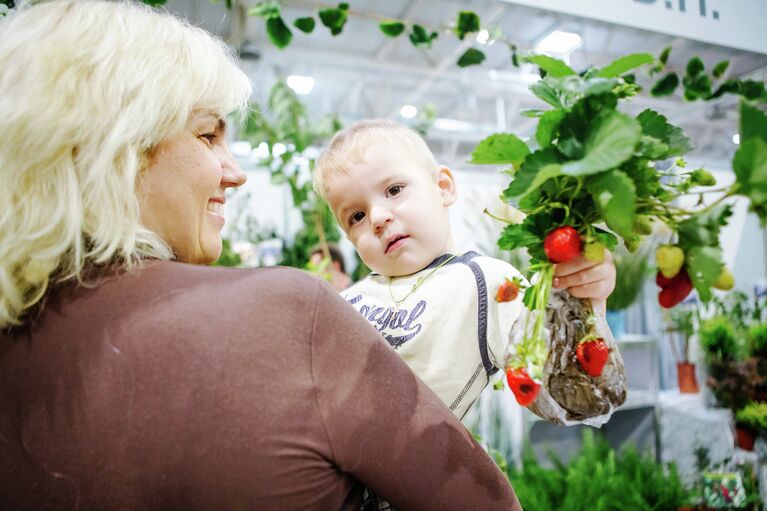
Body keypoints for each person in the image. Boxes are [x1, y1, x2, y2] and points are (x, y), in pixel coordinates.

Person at [0, 3, 523, 510]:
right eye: (208, 135)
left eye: (394, 191)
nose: (235, 171)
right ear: (117, 149)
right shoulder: (288, 314)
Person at [313, 119, 617, 420]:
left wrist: (585, 300)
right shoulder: (348, 301)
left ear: (443, 188)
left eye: (394, 190)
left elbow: (571, 391)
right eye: (356, 216)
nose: (377, 217)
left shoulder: (486, 282)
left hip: (417, 463)